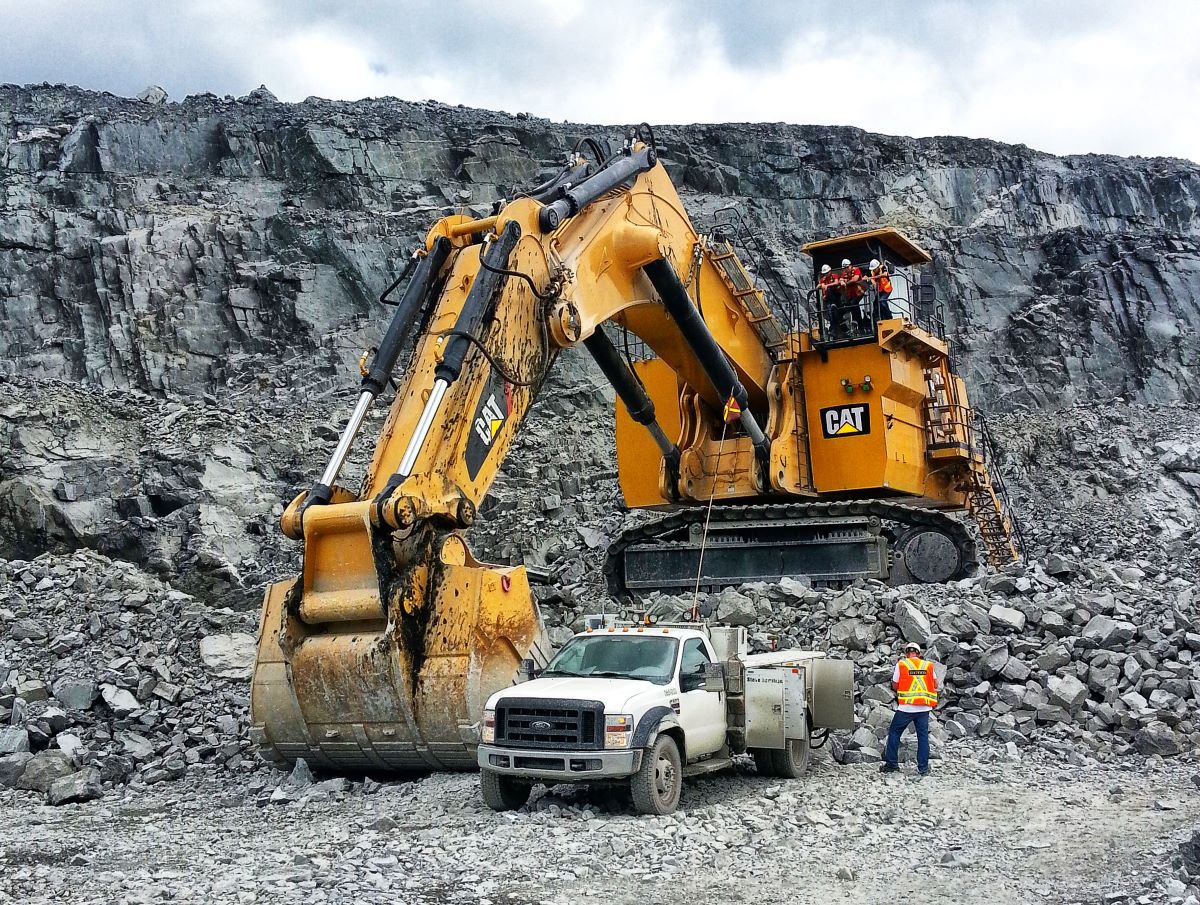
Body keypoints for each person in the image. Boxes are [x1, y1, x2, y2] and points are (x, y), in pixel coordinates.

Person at [880, 641, 938, 777]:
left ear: (907, 653)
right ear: (919, 653)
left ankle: (892, 765)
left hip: (907, 707)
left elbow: (895, 684)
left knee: (895, 732)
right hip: (924, 707)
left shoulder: (902, 664)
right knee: (922, 736)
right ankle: (923, 768)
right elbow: (935, 683)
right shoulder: (928, 665)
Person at [838, 258, 867, 334]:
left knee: (853, 303)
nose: (846, 269)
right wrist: (841, 281)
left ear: (850, 266)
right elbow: (840, 279)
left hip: (859, 291)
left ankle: (858, 322)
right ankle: (857, 323)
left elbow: (855, 278)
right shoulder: (844, 273)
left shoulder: (856, 270)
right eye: (844, 268)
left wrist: (846, 283)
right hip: (851, 294)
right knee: (851, 305)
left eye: (847, 267)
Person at [817, 263, 842, 339]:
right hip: (828, 300)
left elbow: (836, 282)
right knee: (831, 316)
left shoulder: (833, 276)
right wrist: (821, 285)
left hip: (836, 297)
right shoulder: (823, 279)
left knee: (836, 314)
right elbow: (818, 286)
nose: (827, 274)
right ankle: (834, 331)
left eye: (827, 272)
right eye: (825, 273)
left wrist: (827, 285)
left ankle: (837, 329)